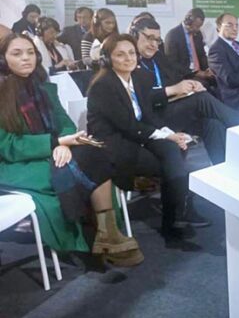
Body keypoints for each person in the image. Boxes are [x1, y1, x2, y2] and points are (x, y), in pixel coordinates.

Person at [0, 33, 143, 265]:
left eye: (30, 53)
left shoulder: (44, 88)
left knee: (94, 150)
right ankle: (105, 235)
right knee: (87, 161)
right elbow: (7, 146)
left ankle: (107, 234)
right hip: (14, 165)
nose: (26, 58)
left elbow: (64, 122)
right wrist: (56, 143)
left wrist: (63, 141)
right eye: (17, 54)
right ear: (4, 59)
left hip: (49, 151)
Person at [87, 34, 193, 242]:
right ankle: (176, 216)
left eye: (131, 53)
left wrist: (170, 134)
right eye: (120, 55)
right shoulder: (103, 86)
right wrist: (166, 136)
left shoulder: (140, 78)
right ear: (108, 59)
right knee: (169, 161)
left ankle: (174, 216)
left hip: (137, 134)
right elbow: (127, 125)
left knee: (176, 149)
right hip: (114, 143)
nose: (128, 59)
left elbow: (149, 116)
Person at [132, 17, 239, 167]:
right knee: (201, 99)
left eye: (157, 40)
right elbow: (141, 99)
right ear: (135, 36)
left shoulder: (157, 57)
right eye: (149, 38)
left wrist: (190, 86)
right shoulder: (131, 61)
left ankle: (223, 169)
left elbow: (174, 78)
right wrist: (172, 90)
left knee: (212, 124)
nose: (153, 45)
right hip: (150, 118)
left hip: (169, 108)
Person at [164, 8, 215, 87]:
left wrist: (207, 69)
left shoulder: (198, 34)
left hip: (199, 73)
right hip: (184, 76)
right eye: (196, 26)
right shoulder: (172, 35)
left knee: (217, 80)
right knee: (205, 85)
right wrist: (194, 73)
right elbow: (172, 64)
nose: (197, 29)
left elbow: (201, 55)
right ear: (188, 21)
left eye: (199, 27)